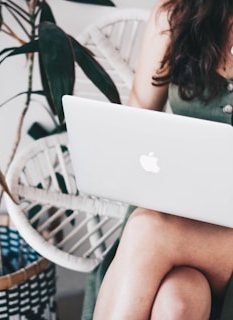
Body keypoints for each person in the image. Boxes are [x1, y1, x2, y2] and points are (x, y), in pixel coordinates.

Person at [82, 0, 233, 319]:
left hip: (204, 237)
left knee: (147, 231)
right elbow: (139, 117)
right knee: (178, 300)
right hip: (182, 211)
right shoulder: (175, 18)